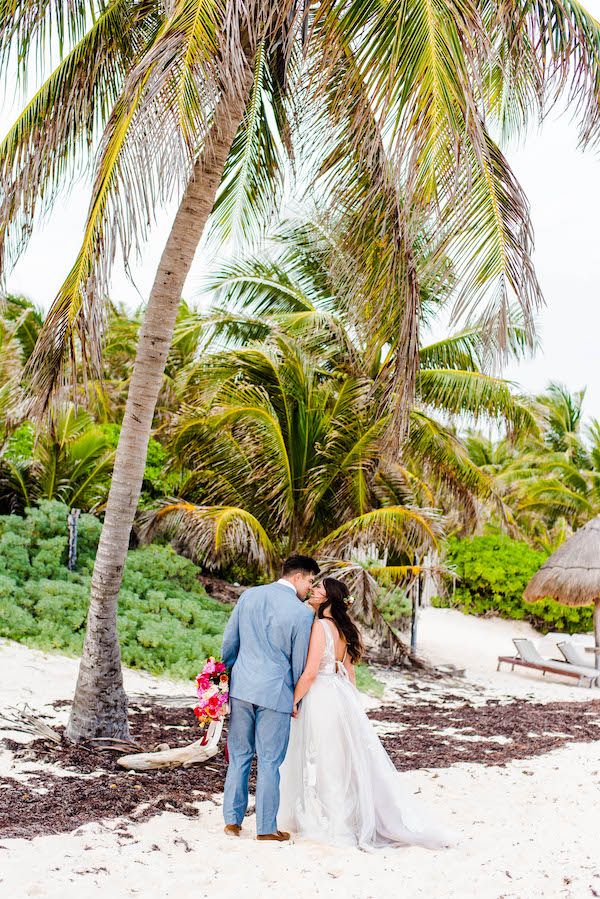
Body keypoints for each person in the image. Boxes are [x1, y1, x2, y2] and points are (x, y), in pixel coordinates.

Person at [278, 577, 457, 849]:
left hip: (323, 696)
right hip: (341, 695)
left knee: (325, 760)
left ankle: (337, 825)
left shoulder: (320, 626)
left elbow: (311, 672)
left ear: (328, 598)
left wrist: (293, 700)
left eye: (319, 589)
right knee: (340, 759)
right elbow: (349, 673)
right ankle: (346, 818)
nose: (313, 590)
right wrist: (352, 706)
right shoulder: (343, 629)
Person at [221, 554, 319, 841]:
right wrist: (296, 701)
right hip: (276, 693)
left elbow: (230, 642)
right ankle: (265, 828)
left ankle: (232, 821)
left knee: (238, 755)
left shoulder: (250, 595)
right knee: (269, 761)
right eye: (310, 581)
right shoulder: (302, 614)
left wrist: (223, 681)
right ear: (298, 577)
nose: (309, 588)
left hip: (241, 688)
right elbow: (299, 663)